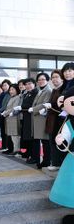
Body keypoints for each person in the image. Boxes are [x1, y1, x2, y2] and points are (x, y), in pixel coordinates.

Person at [49, 86, 74, 224]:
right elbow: (65, 140)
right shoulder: (69, 123)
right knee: (72, 186)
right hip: (73, 159)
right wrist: (61, 140)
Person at [45, 70, 66, 171]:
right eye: (53, 77)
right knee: (52, 142)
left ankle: (60, 163)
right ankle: (55, 162)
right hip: (51, 121)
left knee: (59, 142)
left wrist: (51, 106)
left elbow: (63, 106)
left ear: (62, 78)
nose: (54, 79)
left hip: (59, 121)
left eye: (57, 77)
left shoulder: (64, 90)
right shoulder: (54, 90)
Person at [30, 72, 52, 169]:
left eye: (43, 79)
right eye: (39, 80)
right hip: (38, 118)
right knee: (40, 140)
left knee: (45, 141)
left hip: (43, 118)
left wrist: (33, 109)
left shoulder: (48, 90)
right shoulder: (40, 90)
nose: (40, 81)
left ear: (47, 80)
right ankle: (42, 160)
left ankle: (46, 161)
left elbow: (45, 103)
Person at [16, 78, 38, 162]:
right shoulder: (27, 93)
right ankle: (28, 153)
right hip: (26, 116)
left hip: (32, 117)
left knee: (32, 137)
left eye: (29, 84)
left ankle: (34, 156)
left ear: (34, 84)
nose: (28, 86)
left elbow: (30, 104)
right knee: (27, 136)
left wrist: (22, 107)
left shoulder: (36, 93)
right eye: (26, 84)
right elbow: (24, 103)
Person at [1, 84, 21, 156]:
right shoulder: (11, 97)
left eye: (13, 89)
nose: (11, 91)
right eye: (10, 90)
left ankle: (17, 150)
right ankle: (14, 150)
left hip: (14, 118)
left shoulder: (17, 97)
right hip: (9, 118)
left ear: (17, 90)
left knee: (15, 136)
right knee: (12, 135)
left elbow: (14, 108)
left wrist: (5, 113)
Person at [0, 79, 11, 151]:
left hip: (5, 114)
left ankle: (6, 146)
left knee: (6, 131)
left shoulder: (8, 94)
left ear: (9, 85)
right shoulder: (3, 93)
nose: (4, 87)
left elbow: (5, 105)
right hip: (1, 114)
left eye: (5, 85)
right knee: (3, 131)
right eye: (3, 85)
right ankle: (4, 145)